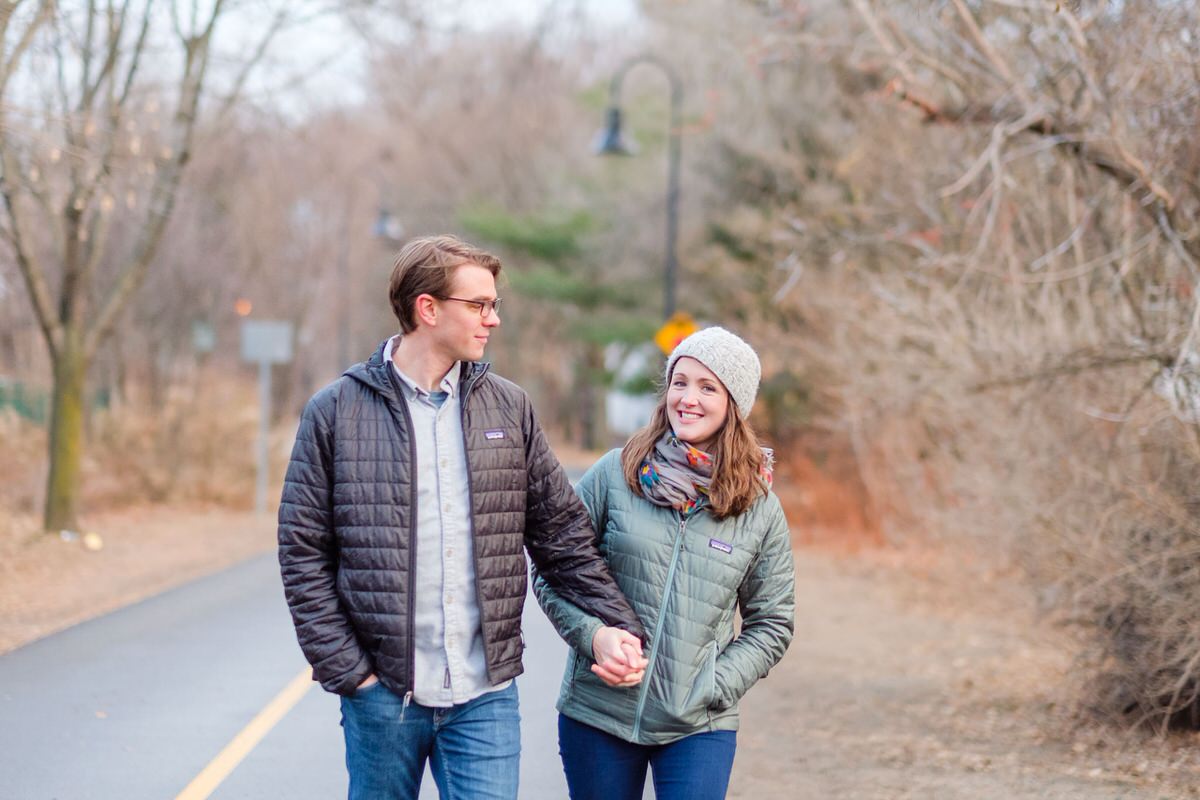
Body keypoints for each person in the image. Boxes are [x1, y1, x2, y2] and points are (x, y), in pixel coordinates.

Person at [277, 234, 647, 800]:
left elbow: (562, 537)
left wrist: (620, 626)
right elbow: (303, 552)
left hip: (485, 694)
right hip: (383, 697)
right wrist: (351, 673)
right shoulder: (335, 411)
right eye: (479, 305)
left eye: (494, 305)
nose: (493, 319)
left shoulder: (508, 406)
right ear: (427, 309)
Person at [534, 326, 796, 800]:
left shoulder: (757, 507)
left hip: (699, 725)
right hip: (598, 714)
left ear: (734, 404)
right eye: (679, 382)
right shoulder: (616, 473)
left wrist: (714, 684)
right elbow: (553, 570)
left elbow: (773, 621)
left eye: (707, 386)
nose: (687, 399)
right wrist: (592, 637)